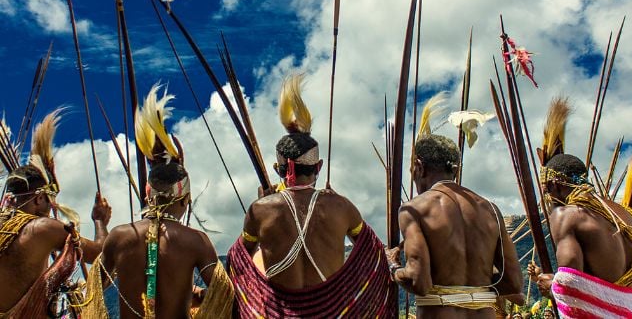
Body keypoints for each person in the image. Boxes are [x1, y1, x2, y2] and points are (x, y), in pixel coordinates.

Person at [228, 74, 394, 318]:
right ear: (319, 167)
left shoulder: (259, 211)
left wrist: (262, 202)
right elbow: (375, 252)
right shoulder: (342, 207)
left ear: (278, 170)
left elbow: (238, 260)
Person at [81, 85, 233, 319]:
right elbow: (223, 293)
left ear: (147, 194)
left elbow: (92, 292)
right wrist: (198, 296)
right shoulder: (196, 240)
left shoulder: (119, 236)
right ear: (185, 199)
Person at [386, 95, 523, 318]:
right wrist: (473, 290)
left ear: (419, 167)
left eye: (413, 171)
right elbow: (513, 282)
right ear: (455, 170)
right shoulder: (490, 209)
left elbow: (418, 280)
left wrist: (393, 267)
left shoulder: (414, 209)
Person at [0, 110, 111, 318]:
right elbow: (98, 254)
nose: (52, 207)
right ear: (39, 198)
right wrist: (100, 222)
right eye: (51, 199)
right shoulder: (42, 228)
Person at [527, 154, 632, 318]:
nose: (548, 198)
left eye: (546, 191)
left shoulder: (565, 215)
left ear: (555, 185)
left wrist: (552, 287)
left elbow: (570, 284)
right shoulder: (629, 215)